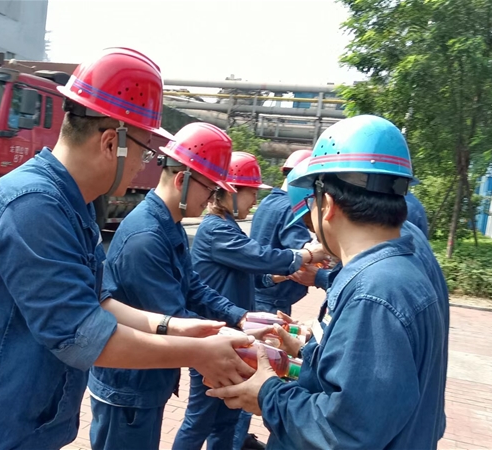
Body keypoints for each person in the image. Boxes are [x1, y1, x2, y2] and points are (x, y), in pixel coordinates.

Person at [0, 48, 254, 450]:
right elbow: (82, 335)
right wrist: (199, 354)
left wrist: (173, 326)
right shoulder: (33, 205)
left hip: (9, 427)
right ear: (111, 143)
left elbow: (97, 302)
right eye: (144, 150)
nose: (143, 164)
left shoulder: (74, 203)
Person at [208, 115, 449, 449]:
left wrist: (267, 394)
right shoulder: (399, 270)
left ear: (327, 204)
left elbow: (343, 430)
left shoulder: (374, 292)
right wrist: (310, 352)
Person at [171, 152, 327, 450]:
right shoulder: (215, 229)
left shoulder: (228, 226)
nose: (254, 200)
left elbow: (255, 274)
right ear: (230, 192)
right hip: (213, 336)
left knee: (227, 418)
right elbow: (259, 257)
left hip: (234, 335)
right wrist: (306, 254)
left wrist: (281, 278)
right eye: (251, 192)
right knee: (200, 418)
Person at [249, 149, 315, 315]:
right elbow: (307, 252)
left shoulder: (267, 201)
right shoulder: (291, 208)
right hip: (273, 300)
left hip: (260, 292)